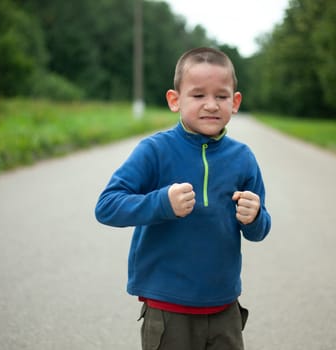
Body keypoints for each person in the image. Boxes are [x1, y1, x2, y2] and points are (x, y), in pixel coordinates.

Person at [95, 47, 271, 350]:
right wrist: (161, 203)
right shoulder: (155, 150)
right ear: (175, 100)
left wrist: (254, 217)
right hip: (167, 307)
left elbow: (258, 231)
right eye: (198, 95)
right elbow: (107, 206)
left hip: (224, 306)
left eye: (221, 96)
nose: (211, 105)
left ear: (236, 101)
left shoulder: (243, 158)